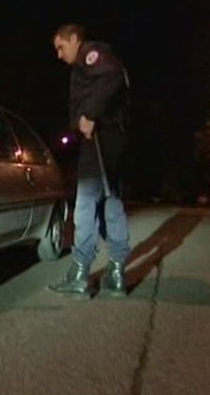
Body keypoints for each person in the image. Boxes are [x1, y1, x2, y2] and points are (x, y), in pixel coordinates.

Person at [48, 24, 131, 298]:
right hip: (112, 140)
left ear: (74, 39)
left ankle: (81, 274)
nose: (59, 55)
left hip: (99, 137)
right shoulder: (82, 64)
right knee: (112, 202)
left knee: (84, 204)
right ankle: (116, 273)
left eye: (61, 46)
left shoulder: (89, 53)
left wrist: (90, 114)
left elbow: (113, 76)